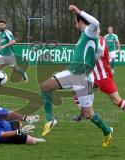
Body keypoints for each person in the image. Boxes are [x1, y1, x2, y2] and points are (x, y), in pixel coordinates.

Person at [40, 5, 113, 147]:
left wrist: (79, 12)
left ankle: (107, 131)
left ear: (81, 22)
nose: (75, 25)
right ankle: (50, 119)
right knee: (45, 87)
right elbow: (94, 53)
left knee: (88, 114)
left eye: (76, 22)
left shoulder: (89, 32)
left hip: (82, 79)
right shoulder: (86, 37)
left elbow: (96, 23)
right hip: (72, 73)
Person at [73, 35, 125, 131]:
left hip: (103, 77)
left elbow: (100, 52)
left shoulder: (101, 40)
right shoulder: (87, 40)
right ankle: (83, 113)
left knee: (117, 100)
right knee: (77, 91)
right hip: (92, 77)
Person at [0, 20, 28, 89]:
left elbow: (13, 41)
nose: (1, 26)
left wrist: (5, 46)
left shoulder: (8, 32)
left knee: (14, 68)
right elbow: (1, 42)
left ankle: (23, 73)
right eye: (0, 25)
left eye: (2, 25)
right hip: (1, 54)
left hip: (9, 54)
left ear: (5, 25)